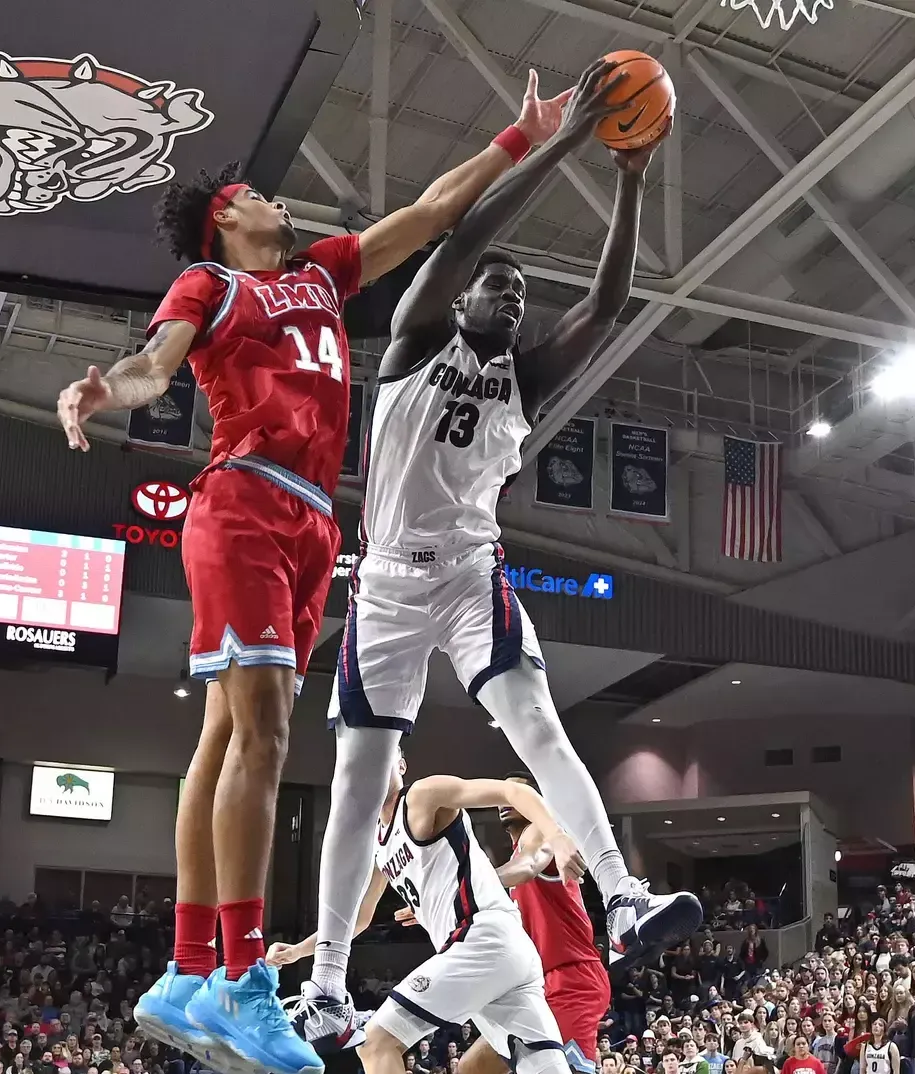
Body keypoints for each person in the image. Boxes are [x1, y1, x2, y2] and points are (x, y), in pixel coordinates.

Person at [57, 60, 579, 1074]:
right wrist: (105, 392)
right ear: (223, 223)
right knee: (260, 735)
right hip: (244, 499)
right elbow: (154, 364)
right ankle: (246, 980)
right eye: (250, 194)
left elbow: (430, 212)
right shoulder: (211, 282)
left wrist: (523, 137)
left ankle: (187, 967)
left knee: (227, 731)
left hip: (311, 525)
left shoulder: (320, 275)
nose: (270, 195)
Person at [296, 55, 698, 1048]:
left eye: (522, 297)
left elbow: (604, 309)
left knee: (539, 727)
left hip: (474, 573)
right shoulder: (412, 340)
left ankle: (623, 895)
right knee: (359, 776)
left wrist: (631, 179)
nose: (513, 300)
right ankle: (332, 985)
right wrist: (561, 142)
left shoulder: (527, 380)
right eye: (501, 290)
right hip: (387, 580)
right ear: (463, 299)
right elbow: (467, 232)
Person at [266, 754, 583, 1074]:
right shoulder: (379, 845)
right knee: (544, 1067)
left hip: (482, 937)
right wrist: (298, 951)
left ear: (401, 765)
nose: (371, 765)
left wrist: (556, 836)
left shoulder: (422, 796)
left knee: (376, 1042)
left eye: (382, 754)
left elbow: (513, 792)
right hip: (503, 954)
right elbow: (359, 918)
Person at [394, 773, 612, 1074]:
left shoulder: (540, 833)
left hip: (571, 978)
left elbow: (530, 864)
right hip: (532, 982)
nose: (505, 804)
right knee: (471, 1069)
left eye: (521, 791)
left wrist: (471, 884)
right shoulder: (509, 866)